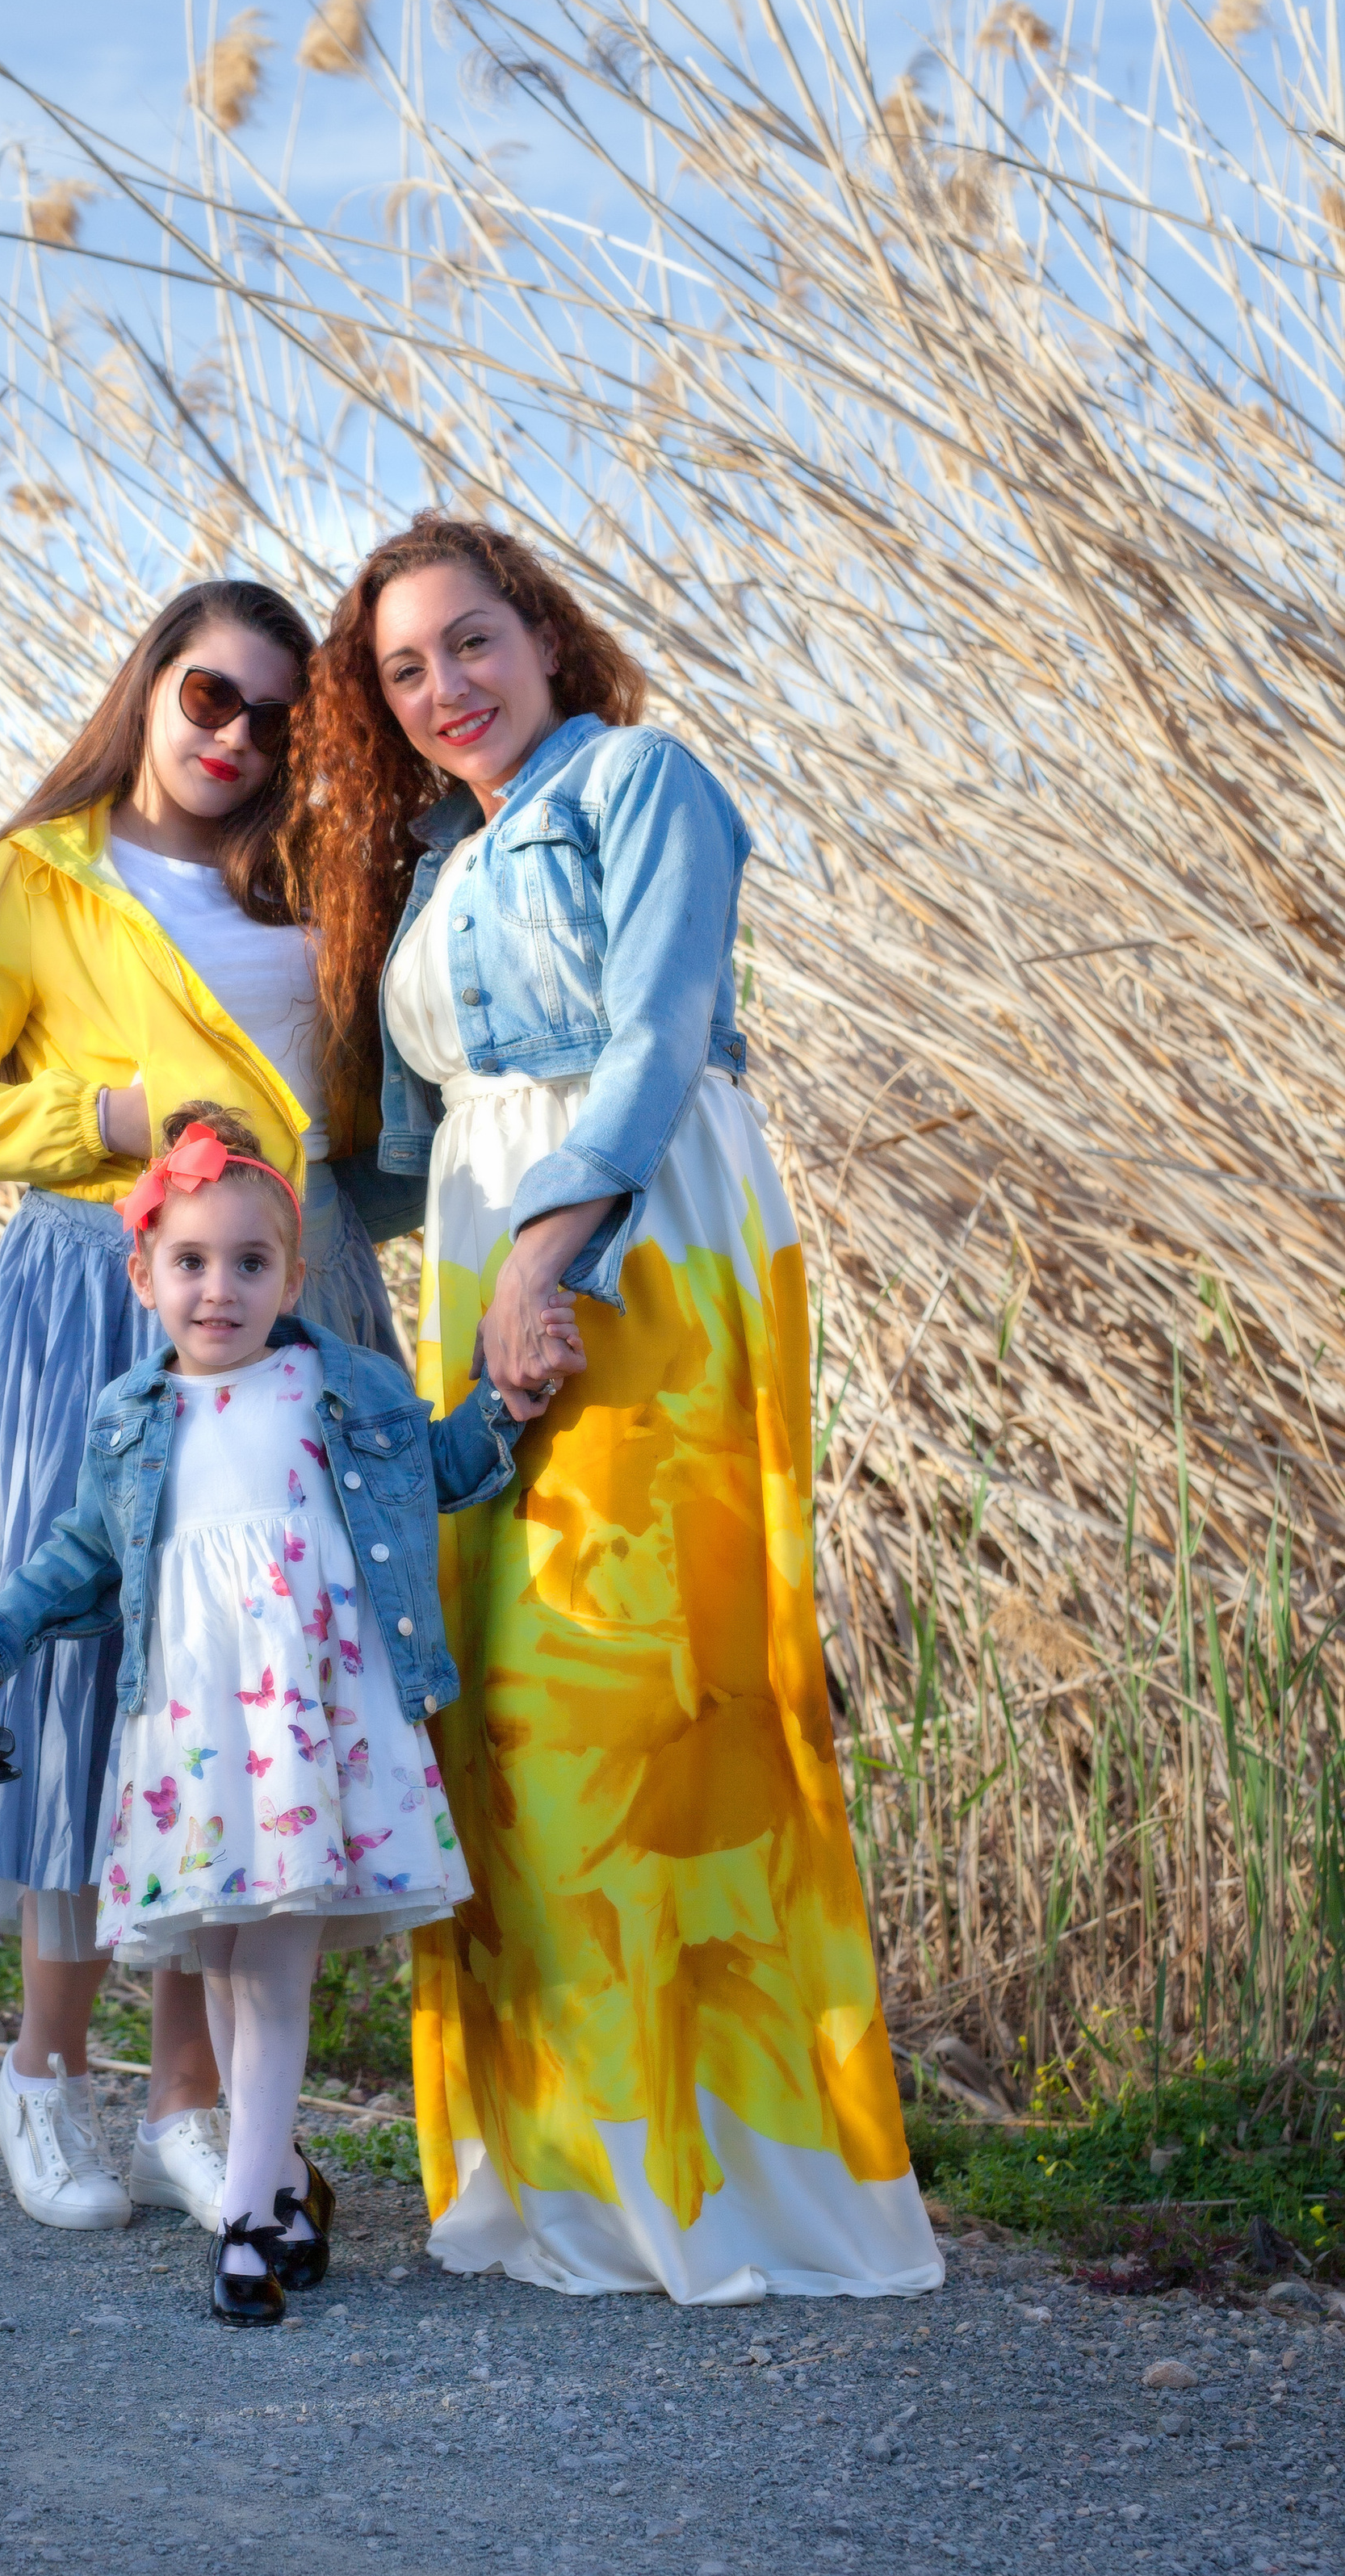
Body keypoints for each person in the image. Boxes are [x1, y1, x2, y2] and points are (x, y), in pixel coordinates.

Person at [282, 512, 943, 2303]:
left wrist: (541, 1261)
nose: (443, 690)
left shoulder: (639, 781)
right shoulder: (435, 866)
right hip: (482, 1284)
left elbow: (653, 1045)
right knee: (499, 1720)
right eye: (402, 669)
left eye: (471, 643)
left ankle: (714, 2179)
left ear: (548, 638)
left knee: (636, 1707)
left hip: (644, 1262)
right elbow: (399, 1166)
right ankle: (560, 2171)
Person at [0, 580, 416, 2238]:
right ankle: (43, 2074)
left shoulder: (320, 885)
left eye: (273, 717)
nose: (234, 737)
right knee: (84, 1671)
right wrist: (113, 1109)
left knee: (229, 1679)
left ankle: (191, 2098)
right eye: (208, 697)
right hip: (95, 1301)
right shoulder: (37, 877)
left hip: (297, 1302)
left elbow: (368, 1124)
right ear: (148, 688)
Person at [0, 1104, 525, 2323]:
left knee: (270, 1971)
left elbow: (446, 1470)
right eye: (192, 1263)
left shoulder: (336, 1385)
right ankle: (274, 2193)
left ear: (292, 1274)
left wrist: (510, 1397)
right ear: (145, 1274)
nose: (221, 1290)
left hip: (308, 1727)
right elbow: (80, 1557)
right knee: (220, 1959)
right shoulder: (130, 1419)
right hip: (198, 1740)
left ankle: (253, 2222)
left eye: (250, 1263)